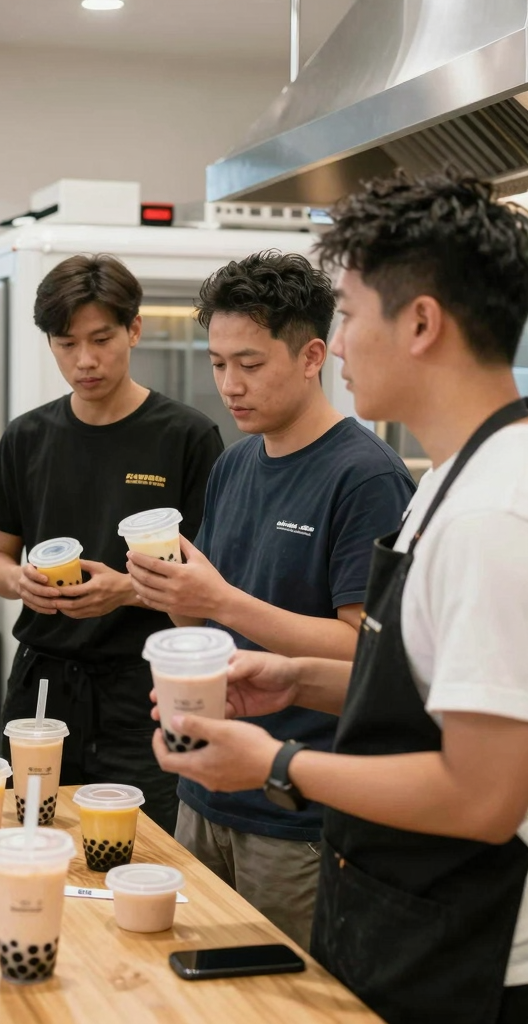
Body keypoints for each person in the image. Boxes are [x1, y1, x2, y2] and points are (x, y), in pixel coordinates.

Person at [151, 172, 528, 1024]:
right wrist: (295, 680)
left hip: (471, 945)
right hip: (407, 902)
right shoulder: (451, 486)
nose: (343, 344)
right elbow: (419, 688)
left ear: (422, 323)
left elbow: (483, 795)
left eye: (351, 315)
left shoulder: (495, 511)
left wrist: (274, 762)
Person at [126, 250, 414, 948]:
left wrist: (221, 600)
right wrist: (169, 592)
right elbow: (204, 618)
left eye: (250, 364)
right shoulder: (235, 463)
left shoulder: (365, 476)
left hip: (298, 815)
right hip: (203, 788)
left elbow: (364, 651)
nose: (229, 384)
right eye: (219, 362)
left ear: (314, 354)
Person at [0, 254, 224, 834]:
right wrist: (22, 583)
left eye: (101, 339)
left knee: (141, 846)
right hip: (43, 682)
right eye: (66, 344)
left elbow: (212, 592)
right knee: (32, 838)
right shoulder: (28, 437)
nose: (84, 360)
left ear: (134, 329)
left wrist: (128, 591)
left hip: (141, 690)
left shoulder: (186, 437)